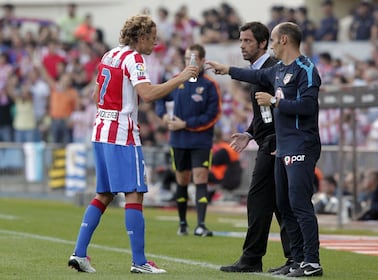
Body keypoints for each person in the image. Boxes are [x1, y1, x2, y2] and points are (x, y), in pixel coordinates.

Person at [67, 14, 198, 274]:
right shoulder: (133, 58)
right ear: (140, 38)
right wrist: (180, 77)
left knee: (104, 194)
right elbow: (147, 93)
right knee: (135, 193)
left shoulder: (108, 55)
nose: (155, 43)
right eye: (151, 38)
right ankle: (139, 262)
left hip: (101, 131)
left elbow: (96, 95)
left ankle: (79, 254)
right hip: (122, 134)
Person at [207, 21, 323, 277]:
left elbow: (308, 107)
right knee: (283, 204)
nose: (270, 45)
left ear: (283, 40)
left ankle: (311, 262)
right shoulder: (278, 70)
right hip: (282, 145)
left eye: (271, 40)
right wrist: (227, 70)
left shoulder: (307, 68)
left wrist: (274, 101)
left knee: (298, 204)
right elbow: (255, 76)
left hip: (301, 143)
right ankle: (296, 260)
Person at [217, 21, 292, 274]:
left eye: (248, 41)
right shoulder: (262, 71)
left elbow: (282, 107)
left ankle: (253, 258)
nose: (242, 46)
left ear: (262, 43)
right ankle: (293, 257)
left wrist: (279, 140)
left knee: (261, 200)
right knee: (278, 203)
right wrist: (250, 133)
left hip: (275, 143)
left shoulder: (270, 70)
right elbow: (265, 112)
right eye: (240, 41)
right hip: (269, 140)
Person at [155, 43, 221, 237]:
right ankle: (182, 223)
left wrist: (186, 124)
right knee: (182, 180)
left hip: (201, 140)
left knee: (200, 178)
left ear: (201, 61)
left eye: (192, 59)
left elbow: (213, 115)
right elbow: (159, 97)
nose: (189, 62)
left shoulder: (210, 85)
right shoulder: (176, 81)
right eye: (186, 59)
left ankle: (200, 224)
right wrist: (164, 117)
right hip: (178, 141)